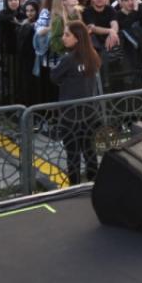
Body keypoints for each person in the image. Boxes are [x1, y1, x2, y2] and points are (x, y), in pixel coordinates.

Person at [49, 21, 101, 184]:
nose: (63, 38)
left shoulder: (68, 59)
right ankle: (94, 183)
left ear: (77, 38)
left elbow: (54, 77)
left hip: (70, 114)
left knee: (73, 154)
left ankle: (75, 186)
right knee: (90, 151)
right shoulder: (93, 55)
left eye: (67, 35)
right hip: (90, 112)